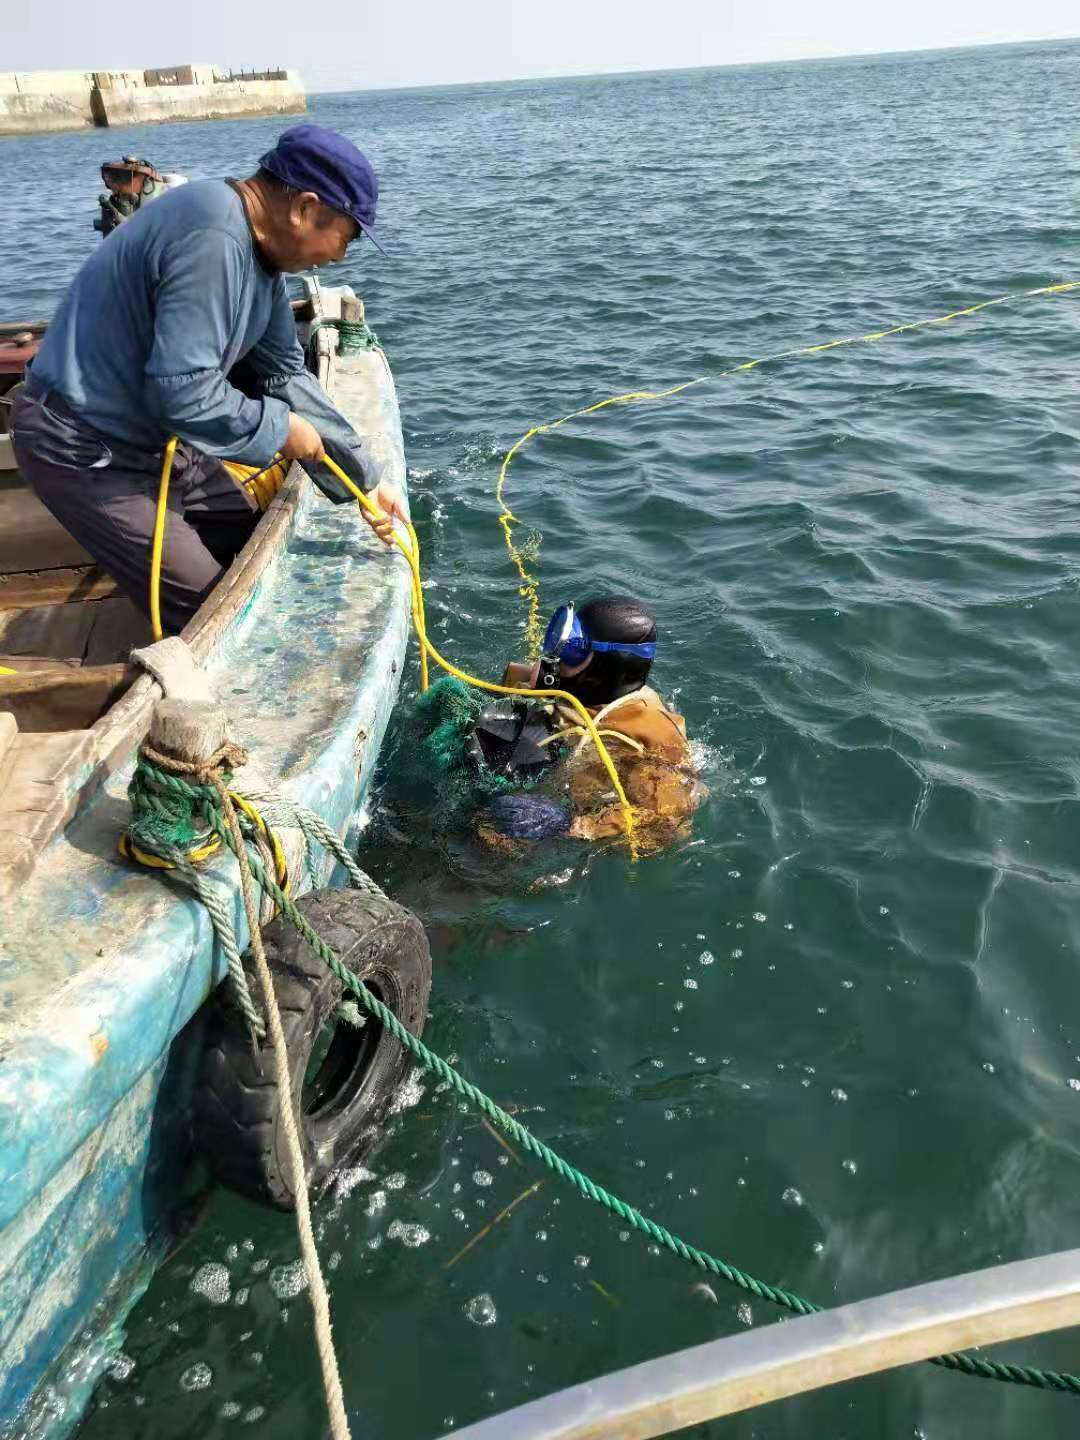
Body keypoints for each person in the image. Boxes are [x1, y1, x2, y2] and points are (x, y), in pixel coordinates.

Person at [11, 124, 408, 634]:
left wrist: (364, 481)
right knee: (220, 615)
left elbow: (283, 374)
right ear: (306, 208)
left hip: (159, 440)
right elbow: (184, 390)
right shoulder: (214, 236)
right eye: (346, 239)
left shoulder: (262, 259)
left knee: (251, 549)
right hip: (85, 448)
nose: (337, 257)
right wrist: (282, 430)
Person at [471, 596, 701, 850]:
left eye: (572, 651)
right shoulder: (580, 692)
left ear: (607, 668)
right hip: (534, 777)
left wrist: (572, 825)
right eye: (563, 640)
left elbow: (669, 823)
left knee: (490, 848)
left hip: (565, 816)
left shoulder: (649, 737)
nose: (558, 658)